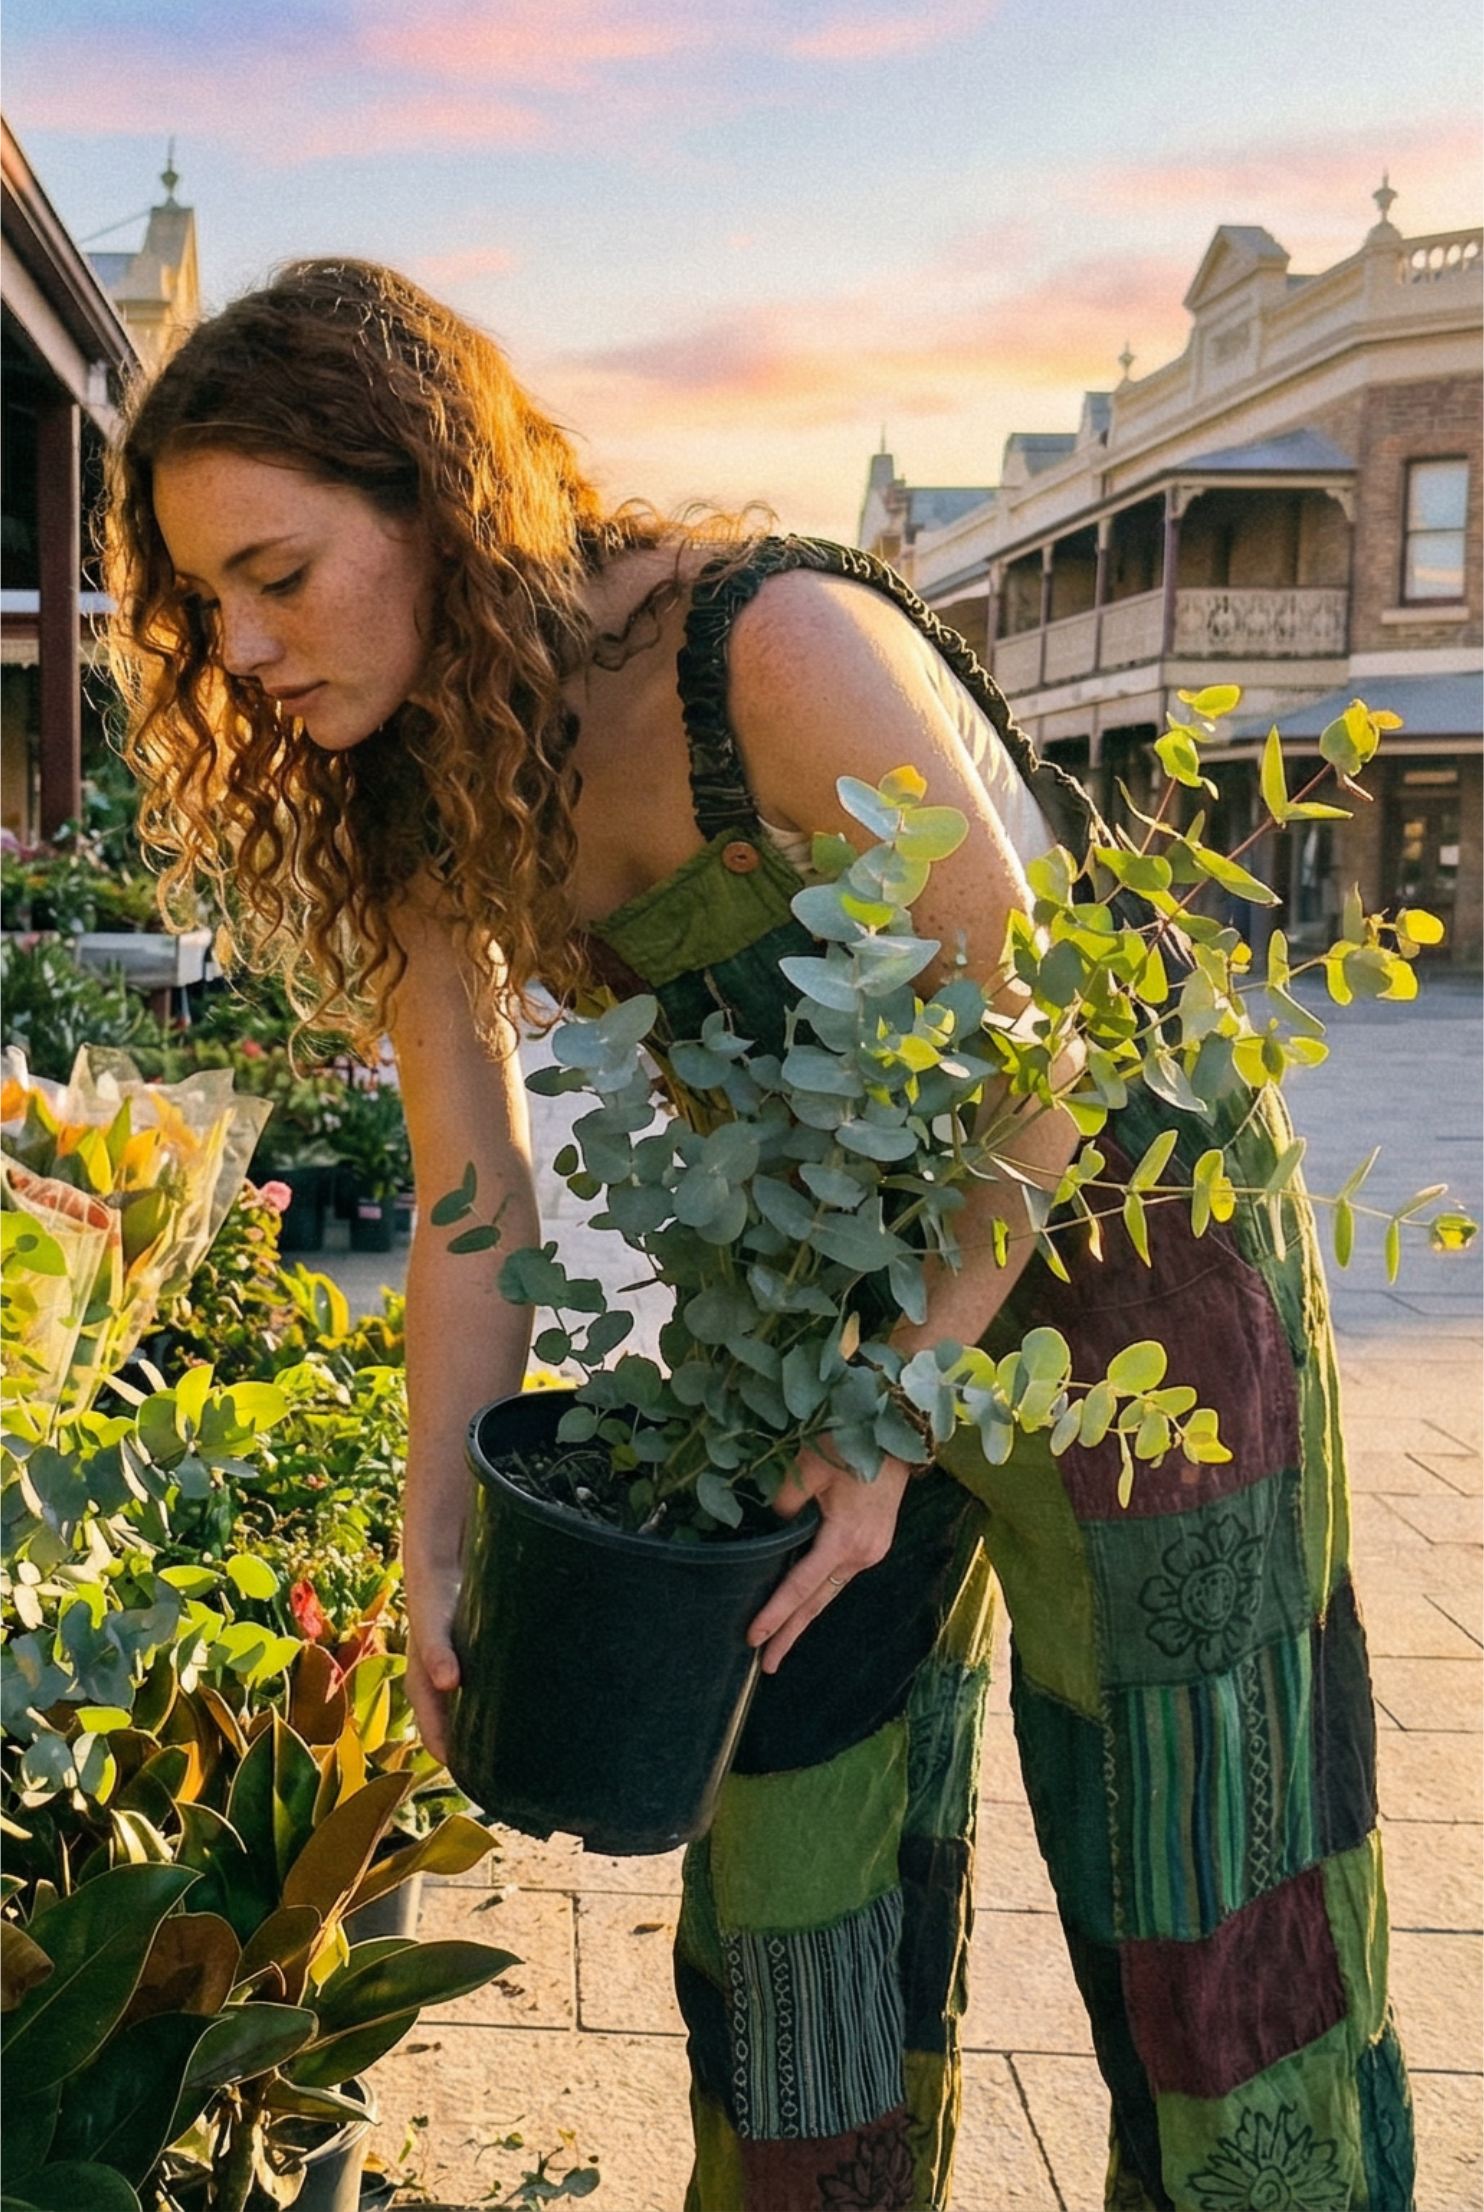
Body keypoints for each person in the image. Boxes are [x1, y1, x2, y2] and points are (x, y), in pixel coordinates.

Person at [109, 259, 1414, 2212]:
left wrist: (894, 1422)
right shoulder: (418, 779)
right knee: (789, 1883)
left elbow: (1051, 1041)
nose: (241, 643)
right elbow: (470, 1190)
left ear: (437, 503)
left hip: (1120, 1253)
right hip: (808, 1305)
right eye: (206, 600)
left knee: (1204, 1887)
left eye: (276, 573)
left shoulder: (768, 645)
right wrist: (433, 1546)